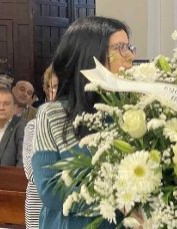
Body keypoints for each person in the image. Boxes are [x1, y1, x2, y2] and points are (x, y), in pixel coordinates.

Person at [32, 16, 135, 228]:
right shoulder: (52, 114)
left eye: (129, 47)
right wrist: (116, 198)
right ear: (90, 55)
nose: (130, 56)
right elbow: (50, 190)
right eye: (120, 48)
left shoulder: (134, 113)